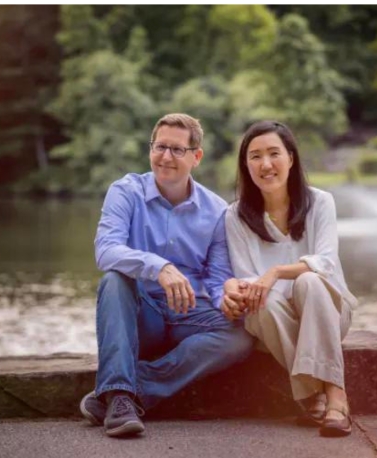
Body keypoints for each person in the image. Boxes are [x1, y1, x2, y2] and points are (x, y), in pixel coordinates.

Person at [80, 113, 254, 438]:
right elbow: (105, 251)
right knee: (114, 281)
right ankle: (119, 399)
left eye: (177, 149)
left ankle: (126, 390)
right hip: (141, 313)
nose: (165, 157)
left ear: (196, 156)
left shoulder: (217, 211)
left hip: (189, 315)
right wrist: (158, 266)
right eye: (160, 147)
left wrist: (227, 299)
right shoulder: (126, 191)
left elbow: (217, 279)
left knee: (240, 336)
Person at [221, 120, 358, 438]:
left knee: (309, 282)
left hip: (327, 310)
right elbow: (246, 278)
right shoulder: (235, 216)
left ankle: (330, 395)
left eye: (273, 153)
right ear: (245, 165)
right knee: (262, 300)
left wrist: (277, 272)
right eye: (254, 156)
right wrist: (244, 287)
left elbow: (324, 263)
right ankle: (321, 394)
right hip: (271, 319)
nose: (265, 164)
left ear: (291, 158)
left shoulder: (320, 202)